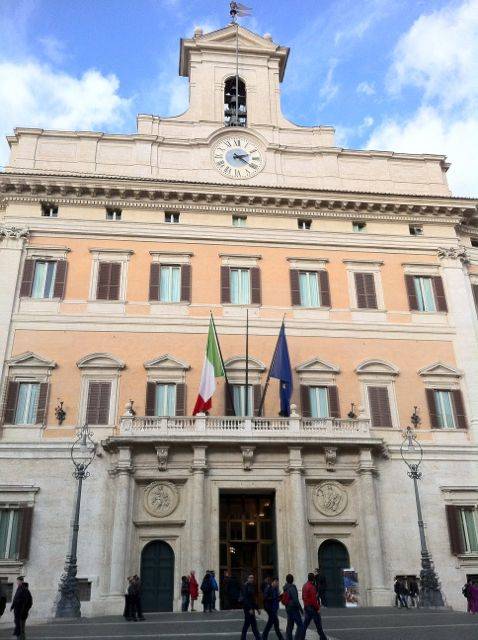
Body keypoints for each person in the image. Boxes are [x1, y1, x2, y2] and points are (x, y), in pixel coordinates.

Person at [302, 573, 328, 640]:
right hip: (312, 608)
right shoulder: (312, 587)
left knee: (305, 625)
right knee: (318, 626)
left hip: (307, 607)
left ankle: (301, 637)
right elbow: (314, 600)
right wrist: (317, 608)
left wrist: (305, 605)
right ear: (313, 579)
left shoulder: (304, 586)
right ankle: (323, 639)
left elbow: (303, 597)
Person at [282, 574, 303, 640]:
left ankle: (288, 638)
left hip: (288, 607)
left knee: (290, 625)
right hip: (293, 608)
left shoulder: (285, 587)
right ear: (292, 580)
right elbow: (295, 600)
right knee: (300, 625)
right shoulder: (292, 587)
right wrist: (301, 609)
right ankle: (297, 638)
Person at [240, 574, 261, 640]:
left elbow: (253, 599)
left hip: (251, 608)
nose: (252, 579)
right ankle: (243, 638)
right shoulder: (245, 586)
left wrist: (257, 608)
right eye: (250, 578)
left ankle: (257, 638)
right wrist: (249, 608)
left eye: (253, 578)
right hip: (247, 609)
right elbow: (245, 599)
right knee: (247, 624)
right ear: (247, 578)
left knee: (253, 624)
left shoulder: (251, 586)